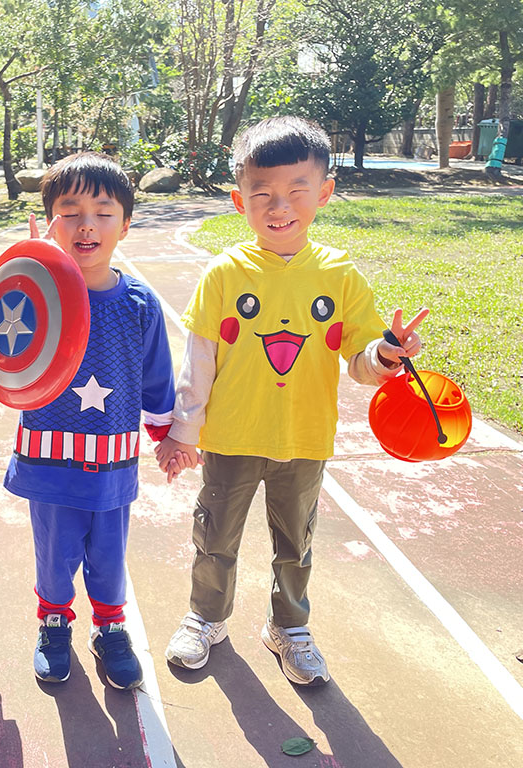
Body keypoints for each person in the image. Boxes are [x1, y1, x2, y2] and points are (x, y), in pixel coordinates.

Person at [156, 116, 427, 686]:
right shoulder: (224, 273)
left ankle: (289, 626)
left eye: (296, 191)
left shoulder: (340, 276)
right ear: (239, 201)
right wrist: (184, 430)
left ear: (324, 192)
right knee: (215, 537)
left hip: (304, 439)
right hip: (231, 438)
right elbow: (198, 359)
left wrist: (386, 353)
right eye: (263, 194)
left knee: (295, 546)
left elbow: (361, 363)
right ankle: (207, 617)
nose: (279, 207)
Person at [3, 152, 176, 690]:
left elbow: (156, 377)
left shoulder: (139, 304)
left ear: (125, 225)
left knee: (108, 553)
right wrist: (26, 275)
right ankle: (54, 623)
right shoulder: (31, 296)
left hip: (111, 462)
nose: (86, 225)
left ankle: (110, 627)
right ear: (50, 220)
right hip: (49, 458)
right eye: (70, 211)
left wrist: (167, 437)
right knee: (54, 553)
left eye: (103, 212)